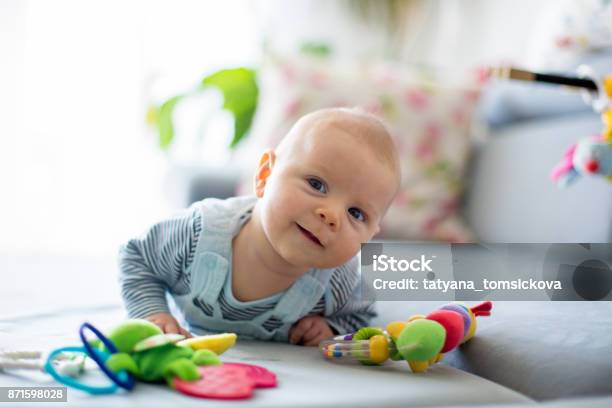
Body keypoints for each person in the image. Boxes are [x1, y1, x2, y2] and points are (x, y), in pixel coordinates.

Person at [118, 107, 401, 346]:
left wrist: (330, 327)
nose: (331, 215)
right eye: (316, 184)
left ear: (372, 234)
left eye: (356, 213)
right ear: (266, 174)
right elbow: (137, 257)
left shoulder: (339, 282)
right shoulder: (197, 233)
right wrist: (152, 313)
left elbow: (361, 315)